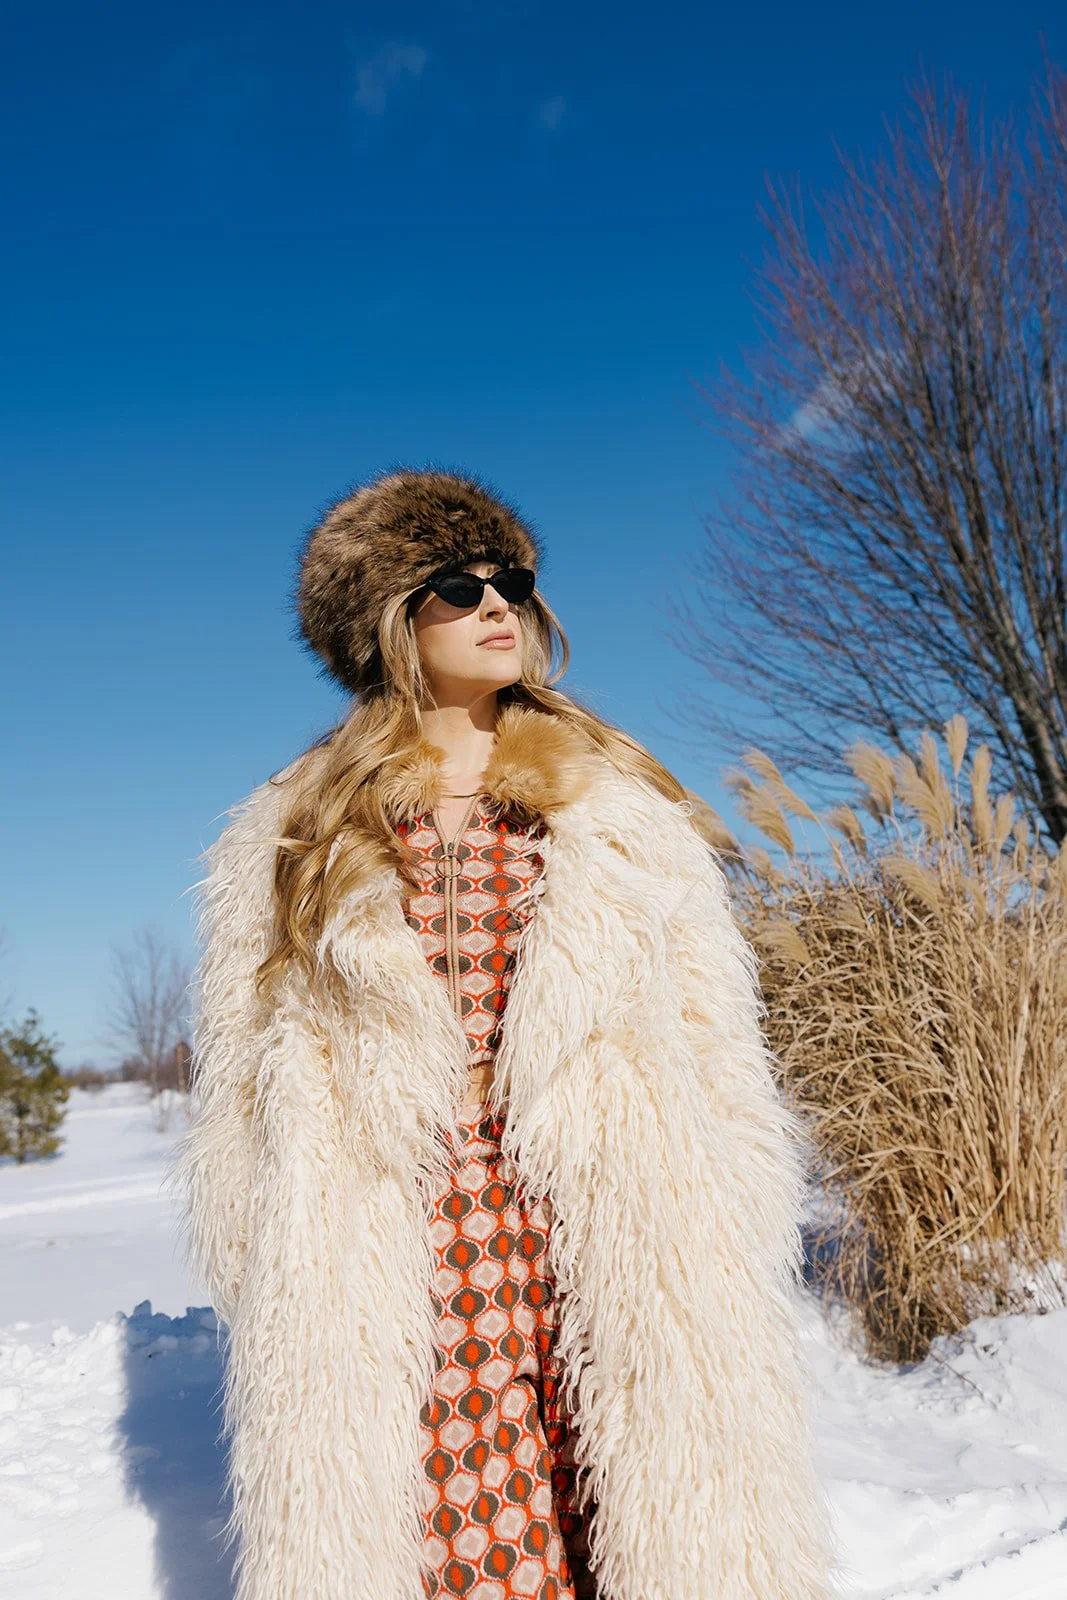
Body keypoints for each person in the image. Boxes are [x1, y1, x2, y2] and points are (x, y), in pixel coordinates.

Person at [170, 467, 838, 1600]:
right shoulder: (296, 828)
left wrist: (726, 1215)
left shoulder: (612, 805)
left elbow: (714, 1044)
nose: (496, 606)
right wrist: (263, 1246)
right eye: (455, 586)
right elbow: (243, 1067)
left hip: (605, 1201)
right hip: (404, 1218)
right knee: (440, 1515)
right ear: (388, 625)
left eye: (511, 583)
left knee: (644, 1503)